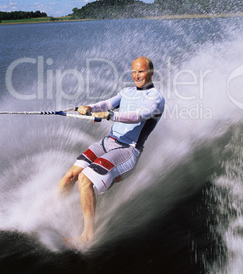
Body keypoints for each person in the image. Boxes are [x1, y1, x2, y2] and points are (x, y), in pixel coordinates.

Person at [58, 56, 165, 246]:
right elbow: (106, 104)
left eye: (141, 71)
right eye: (134, 71)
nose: (136, 75)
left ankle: (87, 236)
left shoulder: (155, 98)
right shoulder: (126, 92)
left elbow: (137, 116)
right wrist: (90, 107)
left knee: (85, 179)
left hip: (127, 150)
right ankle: (54, 210)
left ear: (151, 72)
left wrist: (109, 115)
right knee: (70, 176)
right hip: (107, 142)